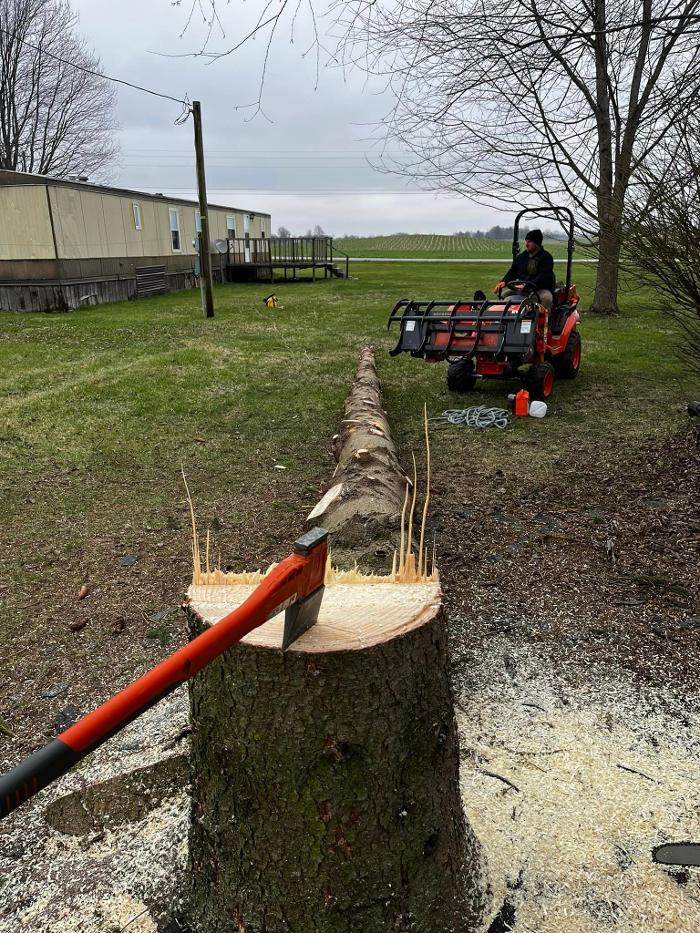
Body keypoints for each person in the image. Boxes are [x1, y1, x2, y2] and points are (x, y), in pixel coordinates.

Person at [495, 229, 555, 310]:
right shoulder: (521, 257)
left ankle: (545, 321)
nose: (526, 244)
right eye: (526, 241)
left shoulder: (546, 257)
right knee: (503, 297)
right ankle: (506, 320)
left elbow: (543, 276)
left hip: (540, 289)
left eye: (529, 242)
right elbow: (513, 271)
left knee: (546, 299)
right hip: (521, 289)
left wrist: (526, 285)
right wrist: (504, 281)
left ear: (537, 243)